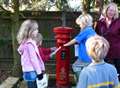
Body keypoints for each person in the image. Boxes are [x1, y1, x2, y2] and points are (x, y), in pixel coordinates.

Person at [63, 13, 97, 83]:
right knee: (86, 69)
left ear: (84, 23)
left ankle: (81, 82)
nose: (79, 26)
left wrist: (65, 45)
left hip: (85, 57)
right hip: (91, 56)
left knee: (75, 66)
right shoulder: (91, 30)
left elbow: (75, 40)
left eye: (80, 24)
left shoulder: (86, 31)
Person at [17, 19, 45, 88]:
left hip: (27, 70)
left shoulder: (24, 42)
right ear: (29, 31)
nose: (37, 31)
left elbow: (20, 50)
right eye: (35, 29)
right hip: (31, 70)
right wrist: (39, 73)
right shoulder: (30, 44)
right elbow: (34, 60)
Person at [95, 2, 120, 80]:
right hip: (104, 52)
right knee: (105, 74)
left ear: (115, 12)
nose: (111, 12)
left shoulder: (119, 22)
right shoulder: (100, 23)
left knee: (117, 73)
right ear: (106, 10)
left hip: (117, 52)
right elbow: (96, 36)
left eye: (113, 11)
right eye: (110, 10)